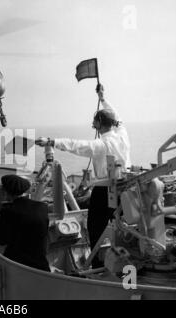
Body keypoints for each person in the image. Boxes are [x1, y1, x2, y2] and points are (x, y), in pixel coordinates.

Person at [36, 84, 131, 267]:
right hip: (124, 190)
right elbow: (117, 116)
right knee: (121, 227)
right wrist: (103, 98)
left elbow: (76, 145)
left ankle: (97, 265)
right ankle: (123, 260)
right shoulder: (122, 135)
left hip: (104, 192)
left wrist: (51, 141)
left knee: (95, 229)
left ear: (98, 124)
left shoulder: (101, 145)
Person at [0, 174, 50, 271]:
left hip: (17, 266)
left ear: (6, 192)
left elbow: (0, 239)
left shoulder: (8, 211)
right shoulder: (42, 207)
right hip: (41, 266)